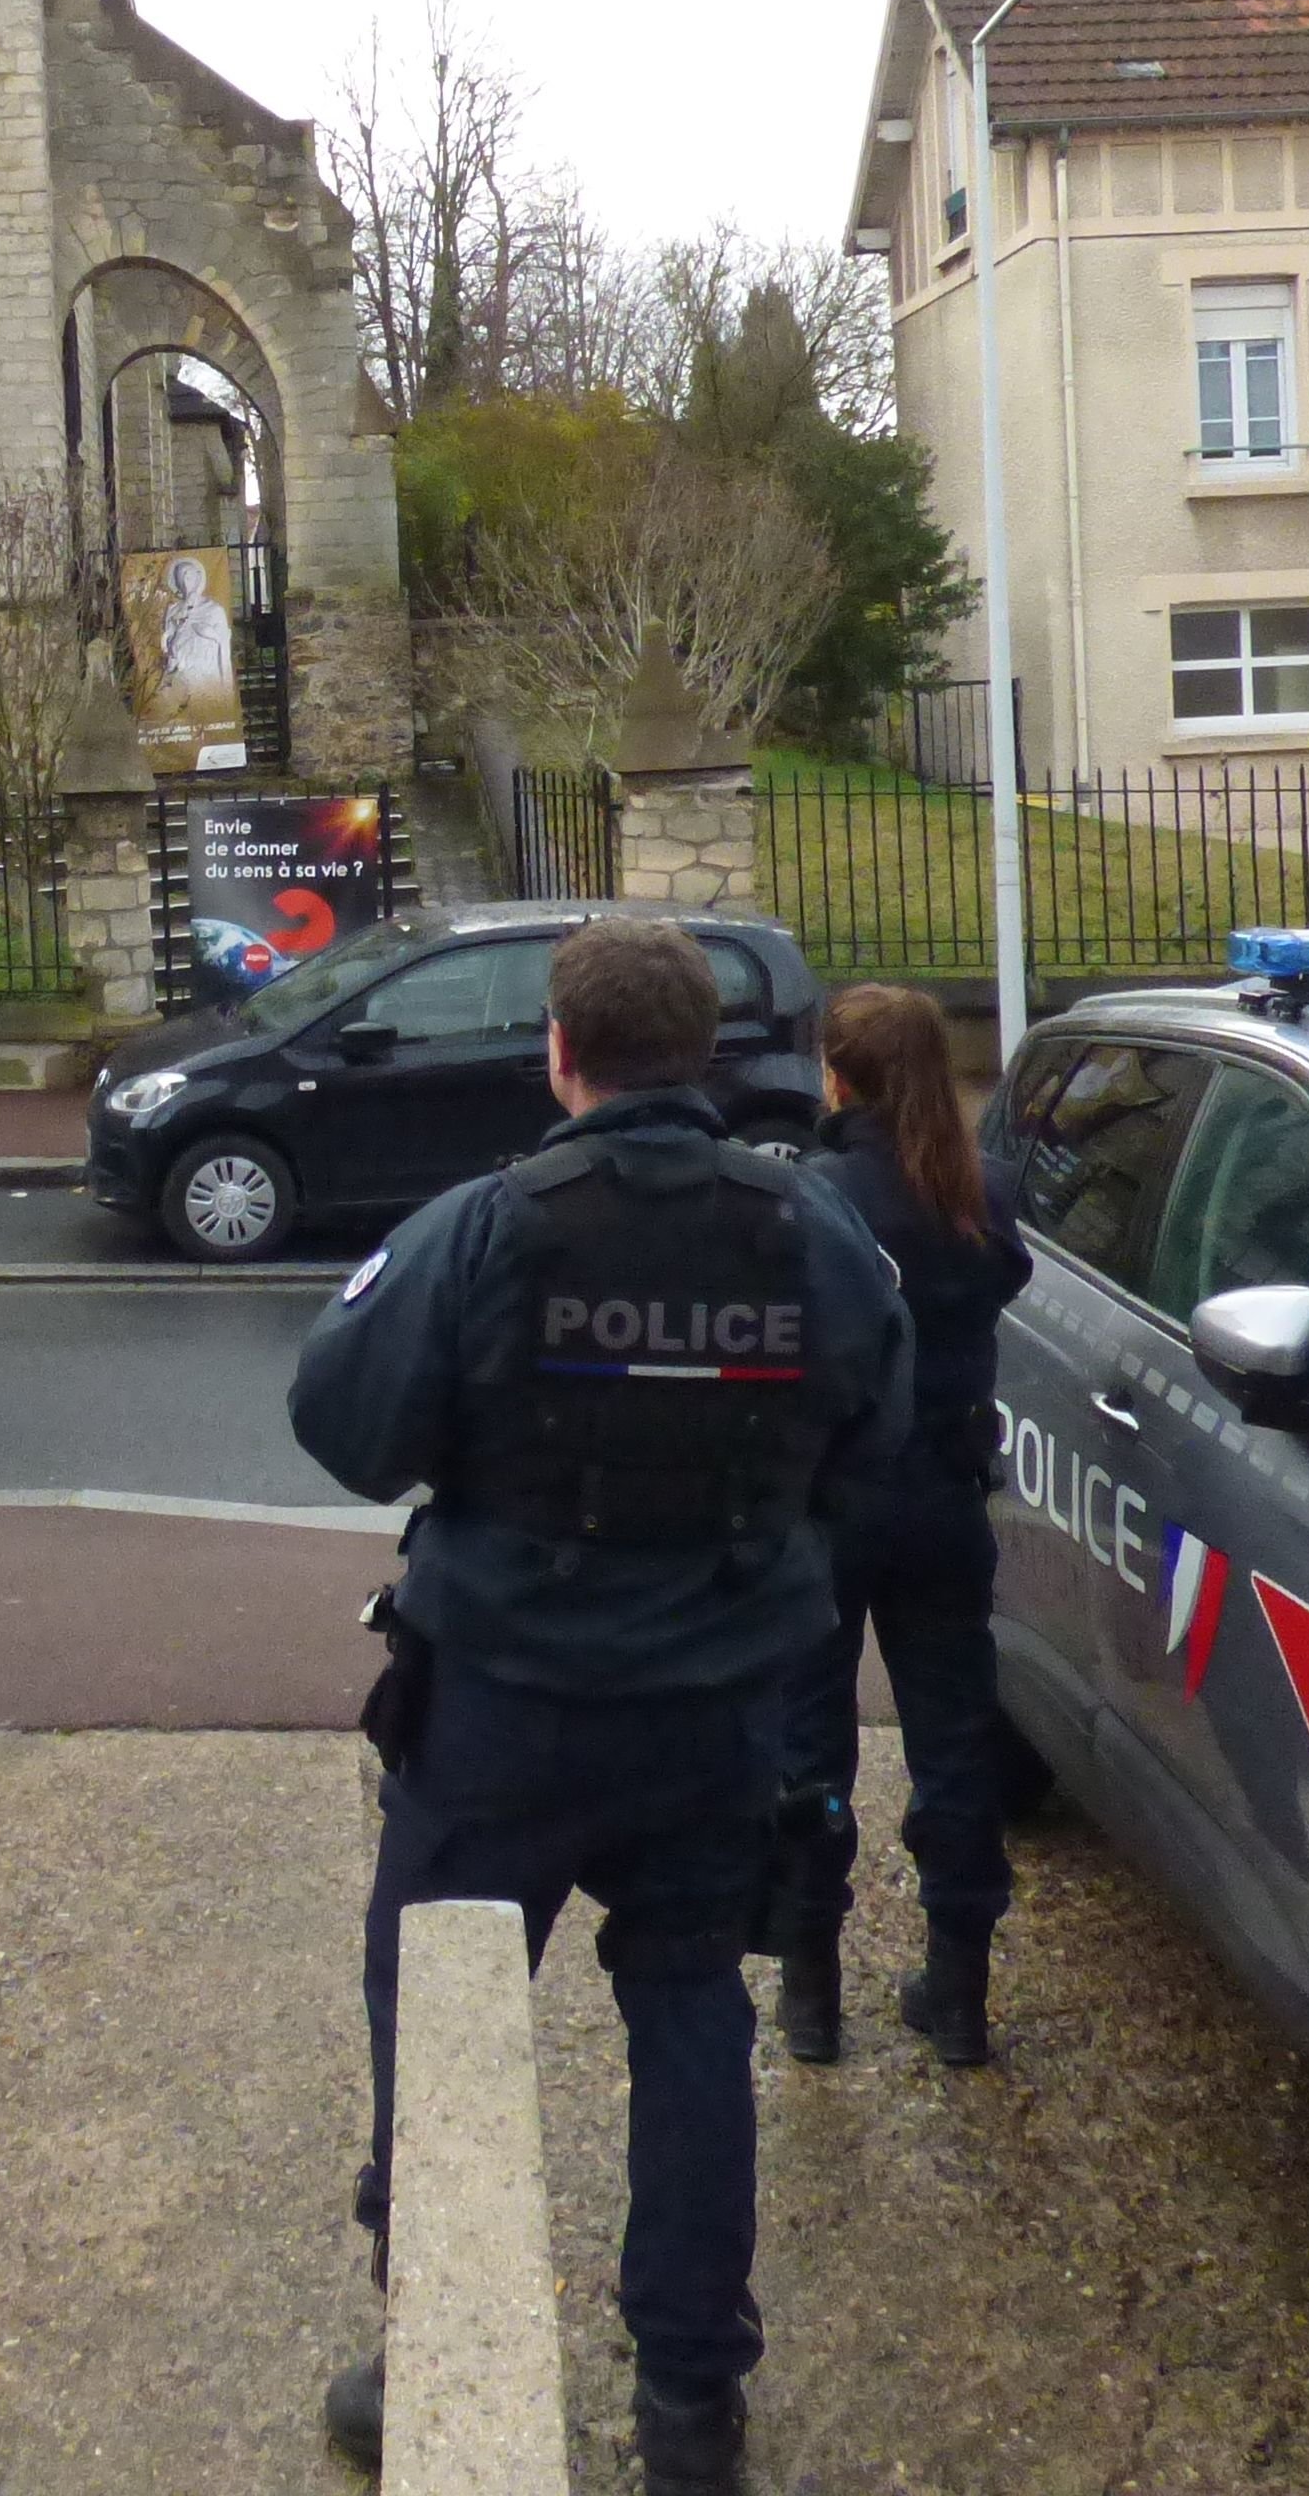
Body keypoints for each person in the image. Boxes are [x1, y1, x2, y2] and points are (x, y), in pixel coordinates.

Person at [290, 918, 910, 2493]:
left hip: (505, 1709)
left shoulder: (487, 1226)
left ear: (558, 1055)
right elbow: (877, 1437)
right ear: (702, 1057)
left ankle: (438, 2348)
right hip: (715, 1706)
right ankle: (691, 2408)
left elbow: (347, 1422)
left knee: (446, 2034)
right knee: (692, 2015)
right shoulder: (815, 1230)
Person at [765, 983, 1034, 2068]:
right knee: (956, 1742)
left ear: (836, 1077)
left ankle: (810, 1992)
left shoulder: (812, 1199)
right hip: (943, 1496)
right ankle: (959, 1992)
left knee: (807, 1748)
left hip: (828, 1507)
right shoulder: (981, 1194)